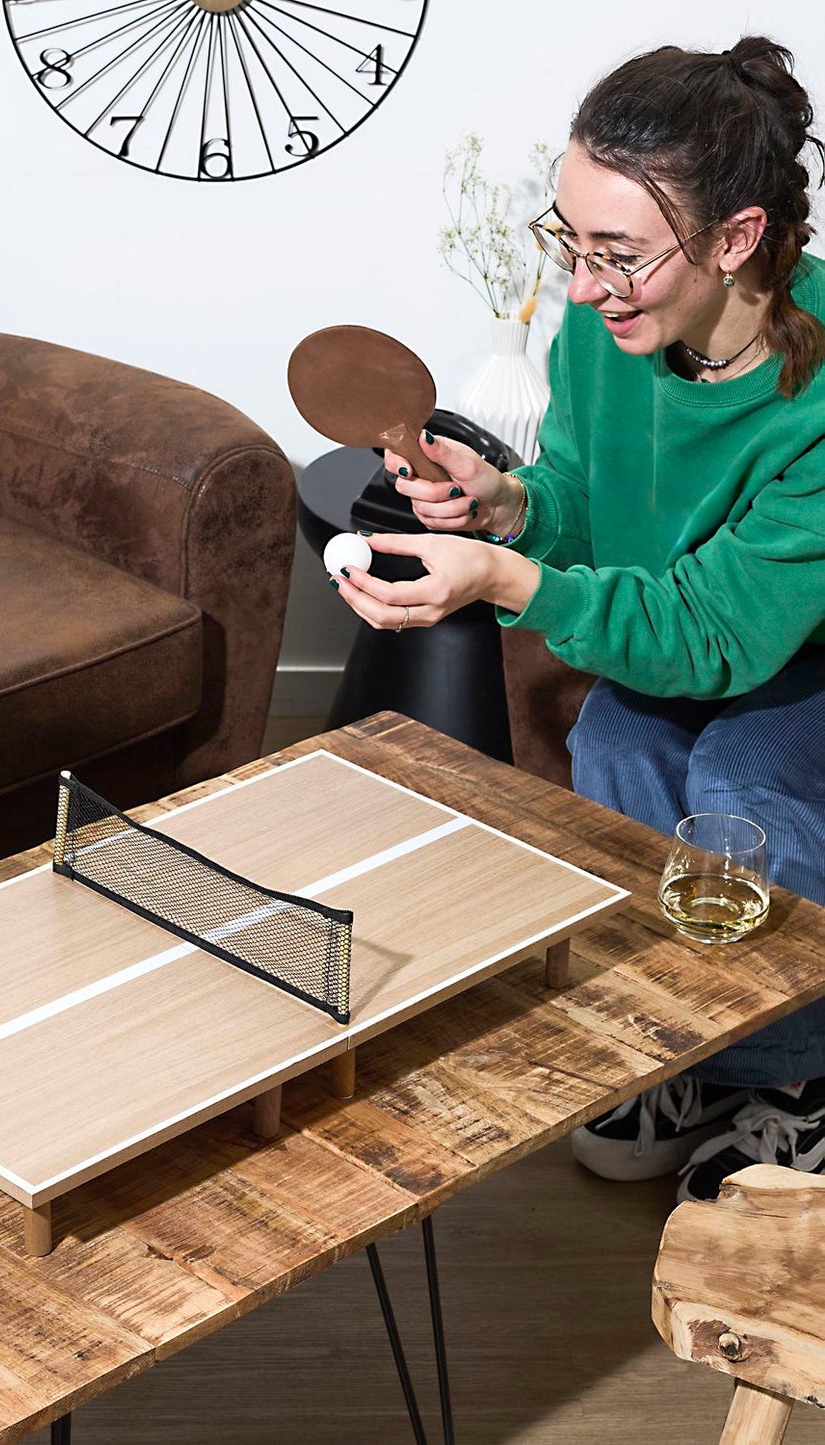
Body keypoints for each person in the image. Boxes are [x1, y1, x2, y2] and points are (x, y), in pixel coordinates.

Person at [330, 37, 825, 1203]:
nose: (584, 282)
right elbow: (589, 507)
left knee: (744, 787)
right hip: (715, 632)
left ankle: (794, 1078)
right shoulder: (613, 334)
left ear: (735, 239)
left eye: (616, 254)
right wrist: (507, 504)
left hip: (800, 649)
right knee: (612, 740)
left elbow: (723, 634)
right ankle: (697, 1044)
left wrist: (501, 582)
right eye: (570, 242)